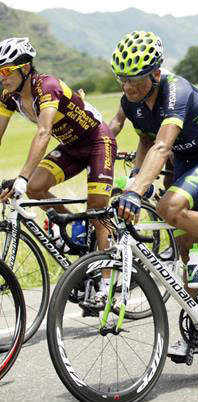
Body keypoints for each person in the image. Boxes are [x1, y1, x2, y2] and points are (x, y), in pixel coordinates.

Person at [109, 31, 198, 359]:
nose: (128, 87)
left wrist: (138, 190)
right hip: (186, 160)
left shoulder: (176, 91)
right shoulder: (132, 101)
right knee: (186, 247)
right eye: (122, 79)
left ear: (156, 74)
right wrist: (132, 184)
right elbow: (144, 141)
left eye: (135, 79)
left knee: (169, 206)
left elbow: (162, 145)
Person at [0, 37, 117, 302]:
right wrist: (25, 181)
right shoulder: (9, 97)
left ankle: (106, 290)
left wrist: (20, 177)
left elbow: (43, 132)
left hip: (98, 142)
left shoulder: (47, 86)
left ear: (25, 68)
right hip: (71, 147)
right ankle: (75, 226)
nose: (2, 77)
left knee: (98, 214)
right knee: (36, 187)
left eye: (6, 70)